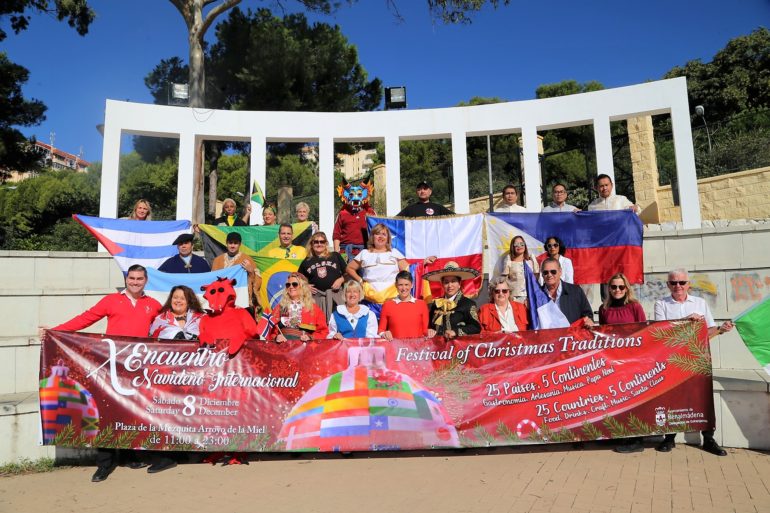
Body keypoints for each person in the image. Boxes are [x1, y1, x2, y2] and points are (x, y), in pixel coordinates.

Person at [50, 265, 171, 481]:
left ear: (146, 280)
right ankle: (104, 464)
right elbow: (85, 318)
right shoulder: (111, 300)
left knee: (134, 413)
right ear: (126, 280)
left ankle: (132, 455)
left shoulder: (153, 305)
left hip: (138, 369)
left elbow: (165, 330)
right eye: (132, 278)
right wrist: (56, 331)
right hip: (111, 367)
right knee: (106, 414)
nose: (135, 282)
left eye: (139, 278)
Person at [653, 268, 734, 456]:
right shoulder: (661, 304)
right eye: (673, 283)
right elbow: (660, 333)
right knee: (671, 398)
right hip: (672, 359)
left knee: (703, 398)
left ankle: (708, 439)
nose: (678, 286)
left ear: (689, 284)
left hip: (698, 359)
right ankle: (669, 437)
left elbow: (709, 332)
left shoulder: (700, 303)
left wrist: (721, 329)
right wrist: (685, 321)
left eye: (682, 282)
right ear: (668, 285)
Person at [596, 272, 647, 454]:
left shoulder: (635, 307)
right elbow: (602, 334)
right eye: (613, 287)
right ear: (609, 289)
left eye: (621, 287)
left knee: (634, 398)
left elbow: (644, 332)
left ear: (627, 288)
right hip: (614, 361)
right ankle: (622, 434)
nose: (617, 290)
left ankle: (637, 438)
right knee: (619, 398)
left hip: (633, 359)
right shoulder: (604, 309)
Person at [346, 223, 410, 304]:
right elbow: (349, 268)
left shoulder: (394, 252)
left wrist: (423, 263)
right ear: (372, 237)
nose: (381, 236)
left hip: (392, 298)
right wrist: (360, 280)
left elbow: (408, 270)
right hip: (369, 299)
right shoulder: (364, 253)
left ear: (388, 238)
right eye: (377, 234)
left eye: (384, 234)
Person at [425, 262, 481, 339]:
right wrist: (429, 330)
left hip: (458, 349)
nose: (450, 285)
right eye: (446, 282)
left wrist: (456, 332)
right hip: (438, 349)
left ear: (459, 284)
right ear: (442, 284)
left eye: (453, 281)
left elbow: (476, 327)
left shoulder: (468, 304)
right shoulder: (435, 304)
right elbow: (429, 326)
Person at [267, 273, 329, 342]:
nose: (291, 287)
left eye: (294, 284)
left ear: (303, 286)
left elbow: (323, 332)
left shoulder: (314, 308)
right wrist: (276, 337)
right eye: (288, 285)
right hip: (283, 349)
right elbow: (271, 330)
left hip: (305, 349)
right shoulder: (280, 307)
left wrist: (310, 337)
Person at [299, 232, 346, 320]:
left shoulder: (335, 256)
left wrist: (340, 280)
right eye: (316, 242)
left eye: (322, 242)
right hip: (317, 298)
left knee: (338, 321)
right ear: (312, 244)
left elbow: (348, 273)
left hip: (335, 296)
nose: (319, 244)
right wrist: (305, 286)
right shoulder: (306, 261)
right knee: (318, 322)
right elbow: (298, 279)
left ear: (326, 243)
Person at [211, 232, 262, 314]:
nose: (232, 245)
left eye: (235, 243)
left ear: (240, 244)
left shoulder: (246, 259)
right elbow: (212, 281)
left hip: (240, 301)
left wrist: (251, 272)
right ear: (226, 243)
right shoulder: (218, 260)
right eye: (230, 243)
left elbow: (257, 283)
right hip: (221, 301)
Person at [378, 271, 435, 340]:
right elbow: (380, 330)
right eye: (400, 285)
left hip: (416, 349)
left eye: (406, 284)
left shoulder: (421, 304)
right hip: (395, 348)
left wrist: (430, 331)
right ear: (396, 285)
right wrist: (384, 334)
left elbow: (425, 330)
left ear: (412, 285)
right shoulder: (387, 305)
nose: (403, 288)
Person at [540, 257, 594, 326]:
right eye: (545, 272)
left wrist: (588, 321)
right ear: (542, 274)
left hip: (571, 335)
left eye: (553, 272)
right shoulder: (536, 296)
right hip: (546, 335)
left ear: (560, 272)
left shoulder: (576, 291)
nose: (549, 275)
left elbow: (587, 315)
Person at [499, 235, 539, 303]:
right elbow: (504, 280)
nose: (519, 246)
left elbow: (537, 279)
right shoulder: (509, 260)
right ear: (513, 247)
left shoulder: (531, 260)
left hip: (531, 297)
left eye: (522, 244)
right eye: (516, 244)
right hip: (515, 298)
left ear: (525, 245)